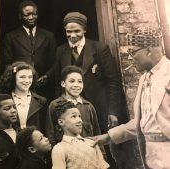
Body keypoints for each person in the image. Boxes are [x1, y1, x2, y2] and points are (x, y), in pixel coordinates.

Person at [54, 12, 132, 168]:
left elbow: (113, 82)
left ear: (84, 30)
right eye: (69, 32)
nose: (73, 35)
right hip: (72, 112)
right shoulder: (61, 51)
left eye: (77, 31)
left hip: (99, 109)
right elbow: (58, 83)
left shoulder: (99, 48)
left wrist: (113, 111)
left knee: (105, 150)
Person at [92, 27, 170, 169]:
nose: (129, 58)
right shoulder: (144, 79)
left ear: (148, 50)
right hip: (151, 158)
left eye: (132, 52)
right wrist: (108, 137)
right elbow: (143, 123)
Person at [2, 0, 56, 100]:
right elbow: (7, 64)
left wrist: (46, 77)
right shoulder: (11, 36)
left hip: (44, 87)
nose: (31, 17)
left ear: (37, 15)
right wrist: (19, 78)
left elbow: (55, 62)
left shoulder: (49, 36)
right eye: (27, 15)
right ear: (20, 16)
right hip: (21, 86)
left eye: (33, 14)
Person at [46, 65, 101, 145]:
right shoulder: (54, 105)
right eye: (72, 81)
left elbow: (97, 134)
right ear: (63, 84)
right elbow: (50, 135)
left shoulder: (88, 106)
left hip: (87, 152)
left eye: (79, 81)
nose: (76, 85)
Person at [51, 100, 109, 169]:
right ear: (61, 122)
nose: (80, 120)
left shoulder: (92, 142)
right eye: (73, 116)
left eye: (79, 116)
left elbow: (103, 167)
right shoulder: (59, 149)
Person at [0, 61, 47, 133]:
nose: (27, 81)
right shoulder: (4, 100)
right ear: (13, 78)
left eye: (30, 77)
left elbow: (46, 129)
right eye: (22, 77)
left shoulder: (41, 101)